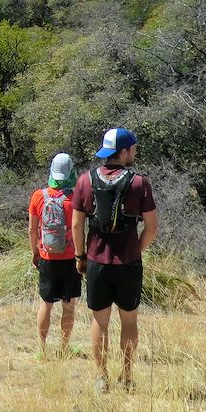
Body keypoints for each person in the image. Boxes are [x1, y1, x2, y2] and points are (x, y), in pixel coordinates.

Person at [71, 128, 158, 392]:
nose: (135, 152)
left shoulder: (85, 181)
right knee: (129, 321)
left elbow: (76, 225)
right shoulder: (139, 183)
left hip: (97, 261)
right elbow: (152, 228)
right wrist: (136, 250)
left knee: (100, 321)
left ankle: (101, 378)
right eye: (133, 148)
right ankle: (128, 377)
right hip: (128, 263)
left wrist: (80, 257)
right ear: (123, 152)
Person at [28, 152, 79, 356]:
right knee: (69, 306)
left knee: (45, 304)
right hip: (70, 260)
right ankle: (64, 347)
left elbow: (32, 229)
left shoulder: (38, 196)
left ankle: (42, 348)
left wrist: (35, 253)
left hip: (47, 257)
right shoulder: (75, 199)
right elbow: (78, 228)